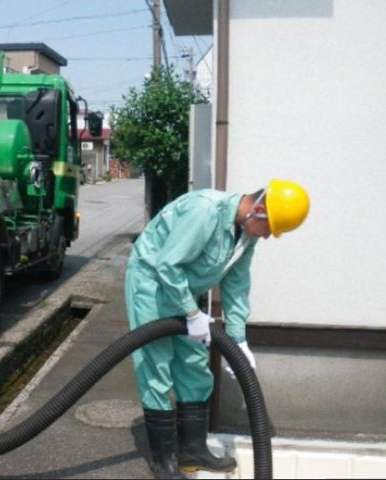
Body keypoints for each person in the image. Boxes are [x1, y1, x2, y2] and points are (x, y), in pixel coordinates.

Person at [125, 179, 310, 479]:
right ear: (258, 210)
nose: (268, 236)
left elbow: (236, 284)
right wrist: (192, 313)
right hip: (152, 284)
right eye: (270, 228)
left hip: (185, 293)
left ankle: (193, 450)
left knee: (194, 365)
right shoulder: (205, 211)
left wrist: (238, 340)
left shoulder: (246, 235)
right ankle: (164, 460)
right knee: (156, 364)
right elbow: (168, 265)